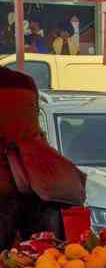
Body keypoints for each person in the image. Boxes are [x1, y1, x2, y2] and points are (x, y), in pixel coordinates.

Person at [0, 67, 84, 249]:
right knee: (40, 258)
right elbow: (33, 132)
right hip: (37, 182)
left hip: (8, 184)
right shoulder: (25, 83)